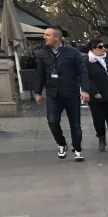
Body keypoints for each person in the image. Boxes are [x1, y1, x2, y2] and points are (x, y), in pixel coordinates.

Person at [32, 26, 90, 162]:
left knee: (75, 124)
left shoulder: (73, 52)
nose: (44, 37)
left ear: (57, 37)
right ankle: (61, 143)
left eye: (47, 35)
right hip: (53, 94)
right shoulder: (43, 53)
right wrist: (37, 92)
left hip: (71, 92)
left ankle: (77, 149)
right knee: (52, 121)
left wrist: (85, 90)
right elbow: (40, 74)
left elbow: (82, 72)